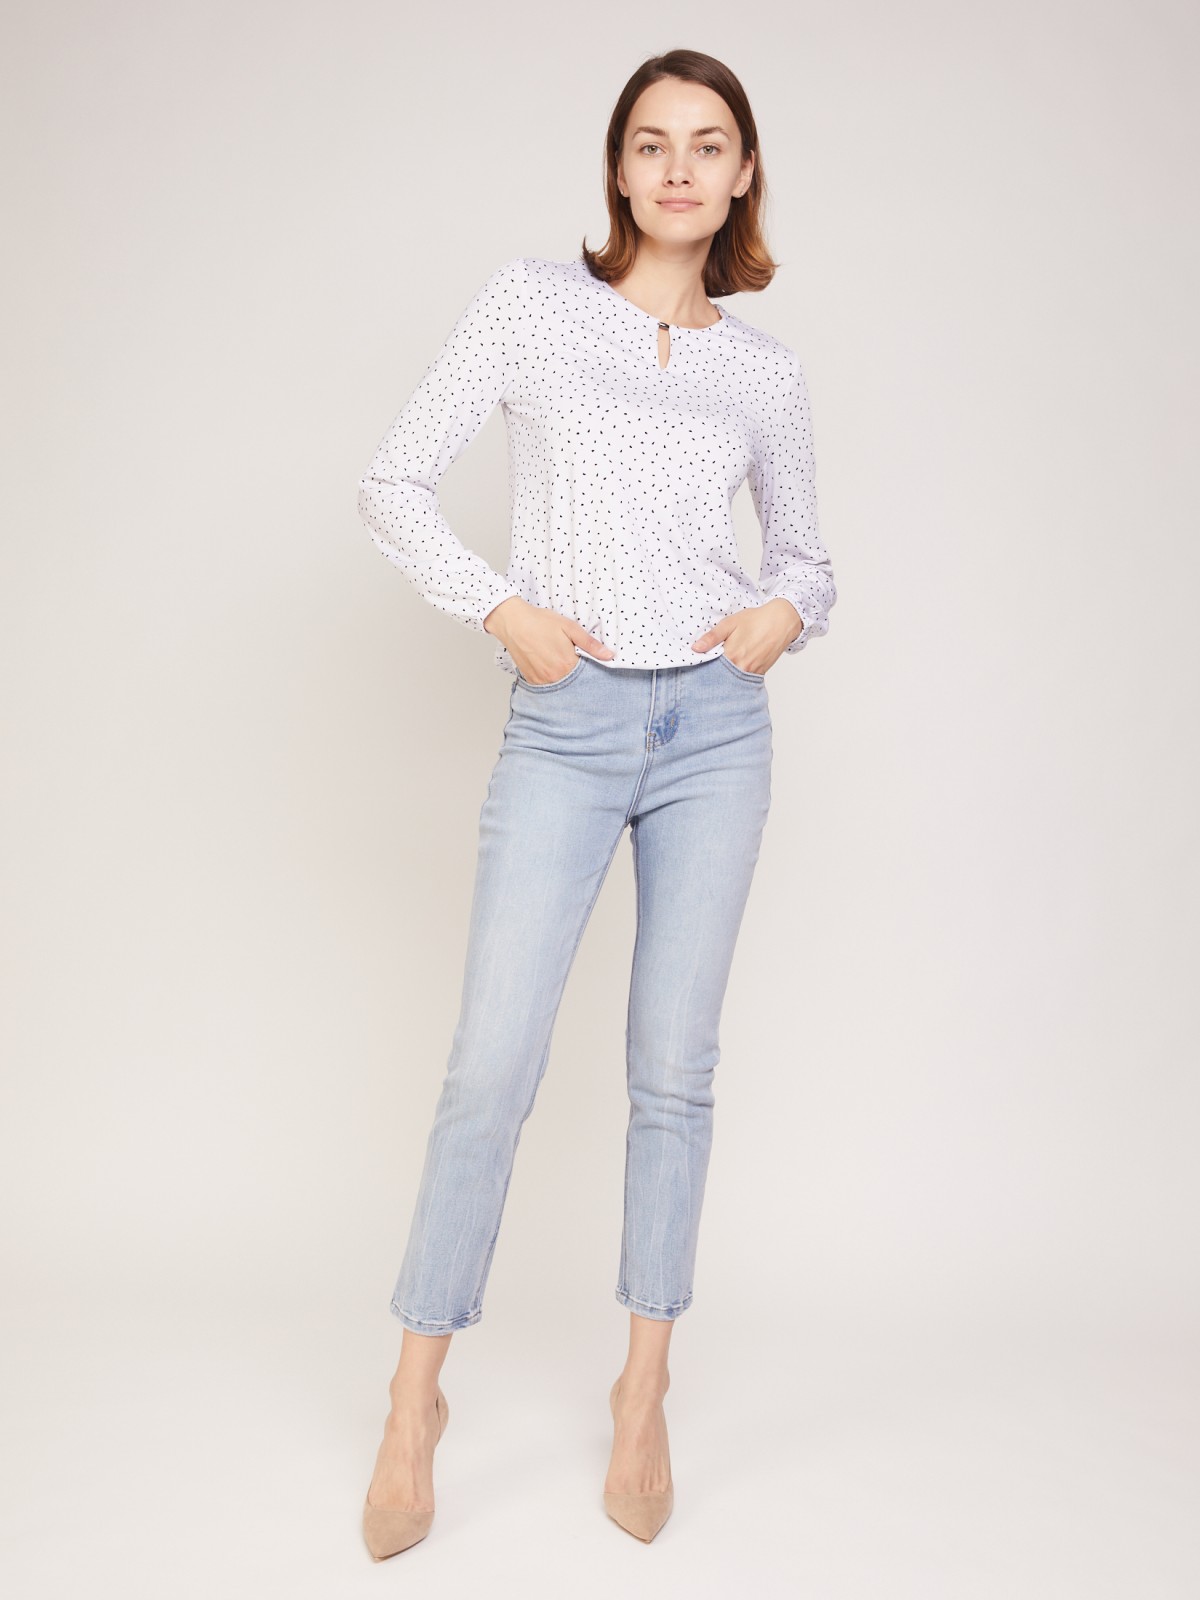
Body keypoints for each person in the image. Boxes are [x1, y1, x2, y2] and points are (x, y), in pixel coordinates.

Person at [355, 48, 837, 1558]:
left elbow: (808, 557)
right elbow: (393, 483)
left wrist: (784, 613)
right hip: (565, 726)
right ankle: (413, 1401)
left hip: (714, 733)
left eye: (710, 144)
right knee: (491, 1067)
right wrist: (504, 610)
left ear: (743, 175)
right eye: (652, 143)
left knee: (673, 1073)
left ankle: (644, 1393)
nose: (680, 167)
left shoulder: (764, 373)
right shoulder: (532, 307)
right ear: (619, 170)